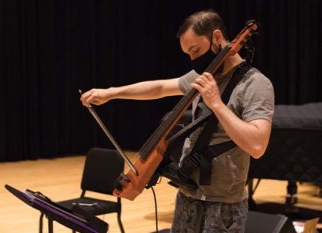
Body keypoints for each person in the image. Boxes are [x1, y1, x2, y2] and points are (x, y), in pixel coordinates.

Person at [80, 9, 274, 233]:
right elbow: (160, 87)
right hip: (187, 194)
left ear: (217, 37)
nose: (194, 60)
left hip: (224, 204)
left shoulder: (256, 84)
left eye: (196, 50)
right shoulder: (205, 76)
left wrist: (217, 104)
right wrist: (111, 93)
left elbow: (258, 146)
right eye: (188, 54)